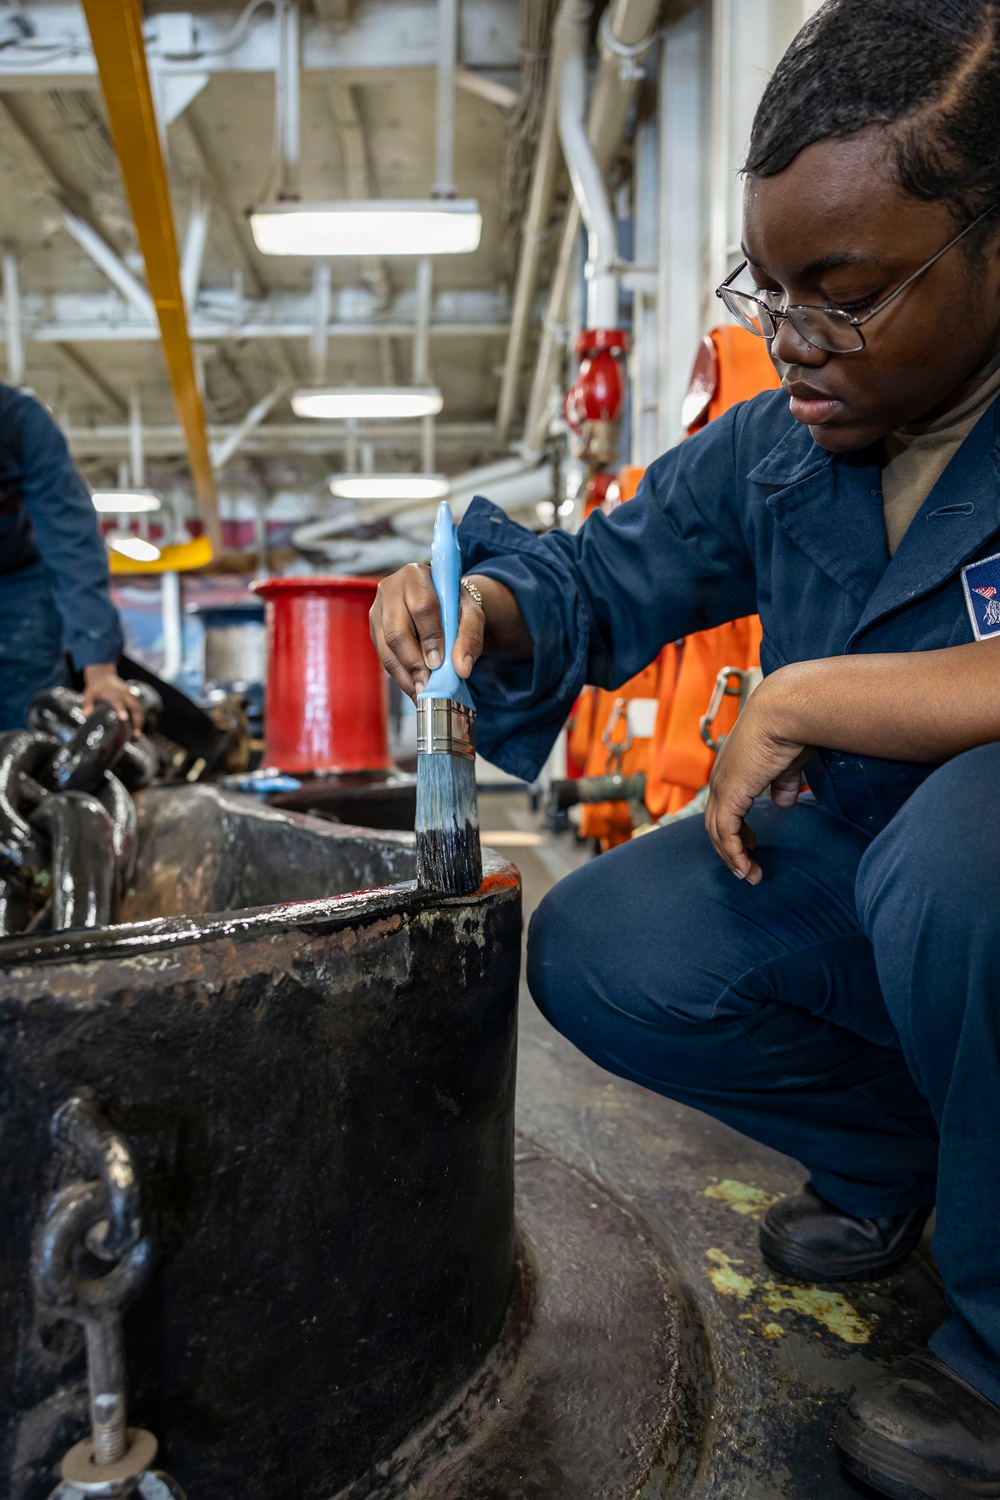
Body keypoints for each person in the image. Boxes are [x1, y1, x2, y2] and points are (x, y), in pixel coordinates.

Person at [371, 2, 1000, 1492]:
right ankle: (907, 1163)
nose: (791, 337)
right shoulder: (785, 441)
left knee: (968, 858)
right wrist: (494, 610)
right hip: (874, 886)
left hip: (965, 879)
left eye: (844, 292)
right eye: (768, 287)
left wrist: (802, 703)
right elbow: (611, 570)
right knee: (605, 945)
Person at [0, 383, 142, 734]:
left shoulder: (20, 421)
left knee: (29, 714)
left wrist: (100, 669)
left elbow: (70, 541)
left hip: (18, 580)